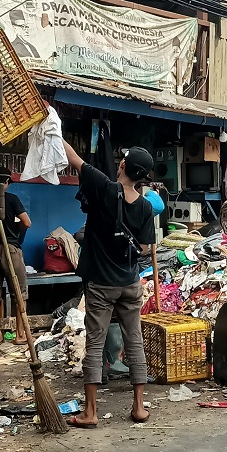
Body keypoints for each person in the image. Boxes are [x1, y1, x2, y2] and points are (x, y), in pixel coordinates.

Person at [62, 141, 156, 428]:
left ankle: (90, 413)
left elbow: (74, 158)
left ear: (124, 166)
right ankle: (139, 408)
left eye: (121, 160)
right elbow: (143, 247)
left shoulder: (103, 186)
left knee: (94, 344)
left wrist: (51, 120)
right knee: (135, 343)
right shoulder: (145, 207)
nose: (118, 163)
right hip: (130, 283)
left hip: (101, 284)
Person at [0, 167, 31, 345]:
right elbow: (27, 223)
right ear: (6, 183)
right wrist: (15, 230)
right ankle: (20, 334)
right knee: (19, 293)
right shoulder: (12, 199)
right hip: (9, 248)